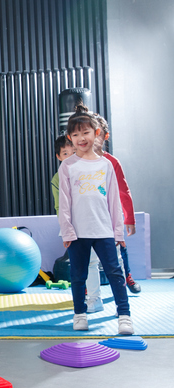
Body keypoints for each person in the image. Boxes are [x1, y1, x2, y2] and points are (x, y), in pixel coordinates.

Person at [57, 104, 133, 334]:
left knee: (115, 273)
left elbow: (113, 202)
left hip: (104, 231)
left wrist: (117, 232)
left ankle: (124, 316)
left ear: (95, 133)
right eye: (76, 134)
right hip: (79, 233)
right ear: (70, 138)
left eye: (86, 132)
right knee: (78, 276)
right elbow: (65, 202)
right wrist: (67, 231)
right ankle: (79, 314)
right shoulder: (68, 166)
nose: (81, 138)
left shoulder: (106, 165)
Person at [51, 134, 104, 313]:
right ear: (59, 156)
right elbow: (60, 206)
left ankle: (96, 298)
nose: (70, 156)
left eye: (73, 151)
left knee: (96, 263)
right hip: (74, 226)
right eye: (65, 153)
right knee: (80, 265)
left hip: (95, 223)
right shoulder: (58, 178)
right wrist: (66, 229)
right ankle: (84, 300)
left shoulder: (91, 169)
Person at [92, 112, 142, 294]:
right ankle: (89, 291)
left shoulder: (112, 162)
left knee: (119, 249)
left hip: (110, 216)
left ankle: (126, 276)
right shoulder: (79, 161)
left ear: (105, 136)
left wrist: (129, 218)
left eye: (98, 133)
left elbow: (124, 191)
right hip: (89, 216)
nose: (93, 138)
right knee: (88, 257)